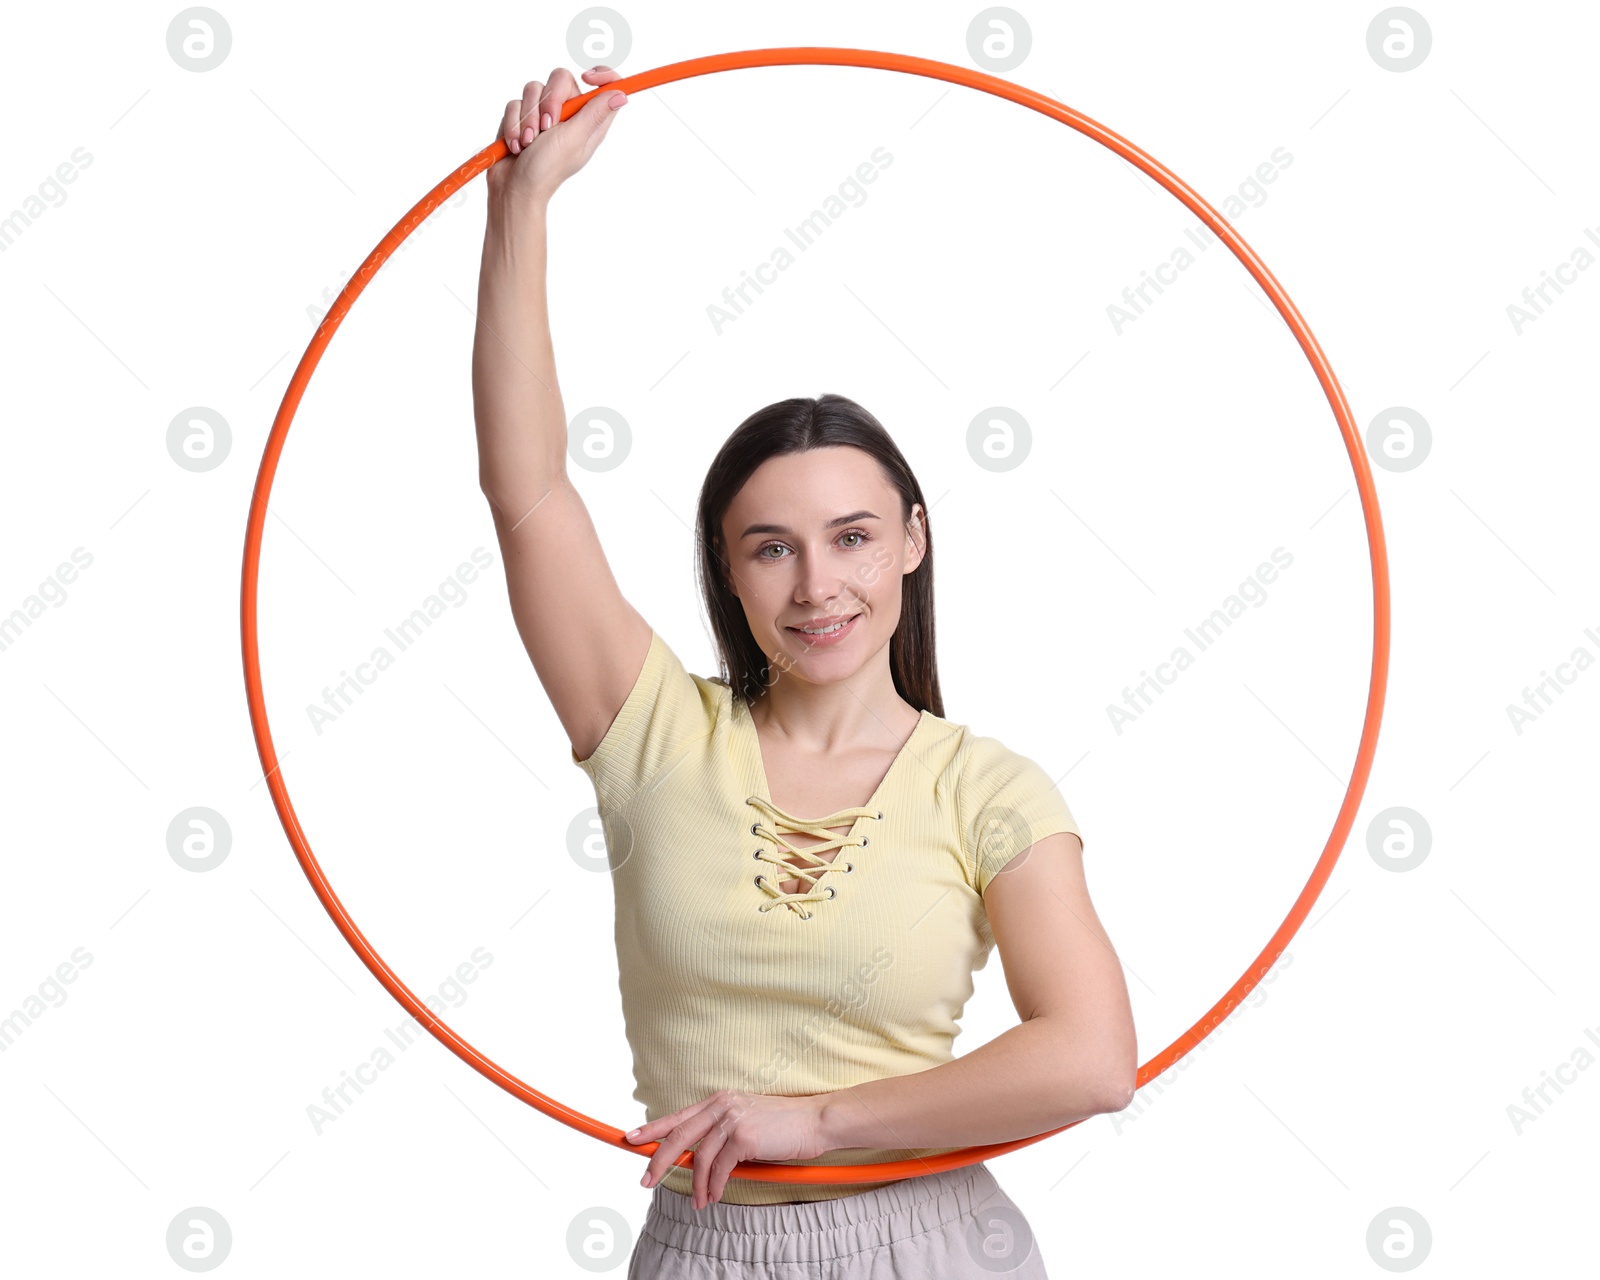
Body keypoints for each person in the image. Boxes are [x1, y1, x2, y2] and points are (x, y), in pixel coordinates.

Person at [474, 64, 1138, 1280]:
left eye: (852, 537)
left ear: (912, 542)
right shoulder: (655, 735)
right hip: (701, 1245)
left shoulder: (987, 788)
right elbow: (527, 489)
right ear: (727, 571)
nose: (816, 584)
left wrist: (820, 1122)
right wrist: (519, 212)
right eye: (769, 546)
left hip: (930, 1239)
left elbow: (1092, 1056)